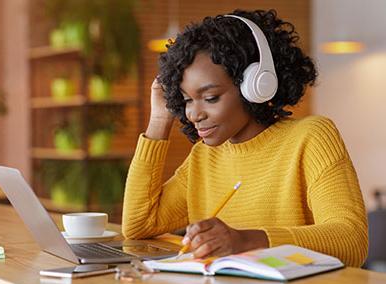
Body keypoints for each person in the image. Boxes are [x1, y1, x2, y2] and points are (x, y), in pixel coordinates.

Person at [121, 9, 368, 267]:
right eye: (186, 100)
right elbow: (138, 225)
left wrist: (247, 241)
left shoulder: (311, 137)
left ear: (255, 85)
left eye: (210, 98)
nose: (194, 114)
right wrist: (159, 120)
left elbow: (351, 240)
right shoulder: (204, 156)